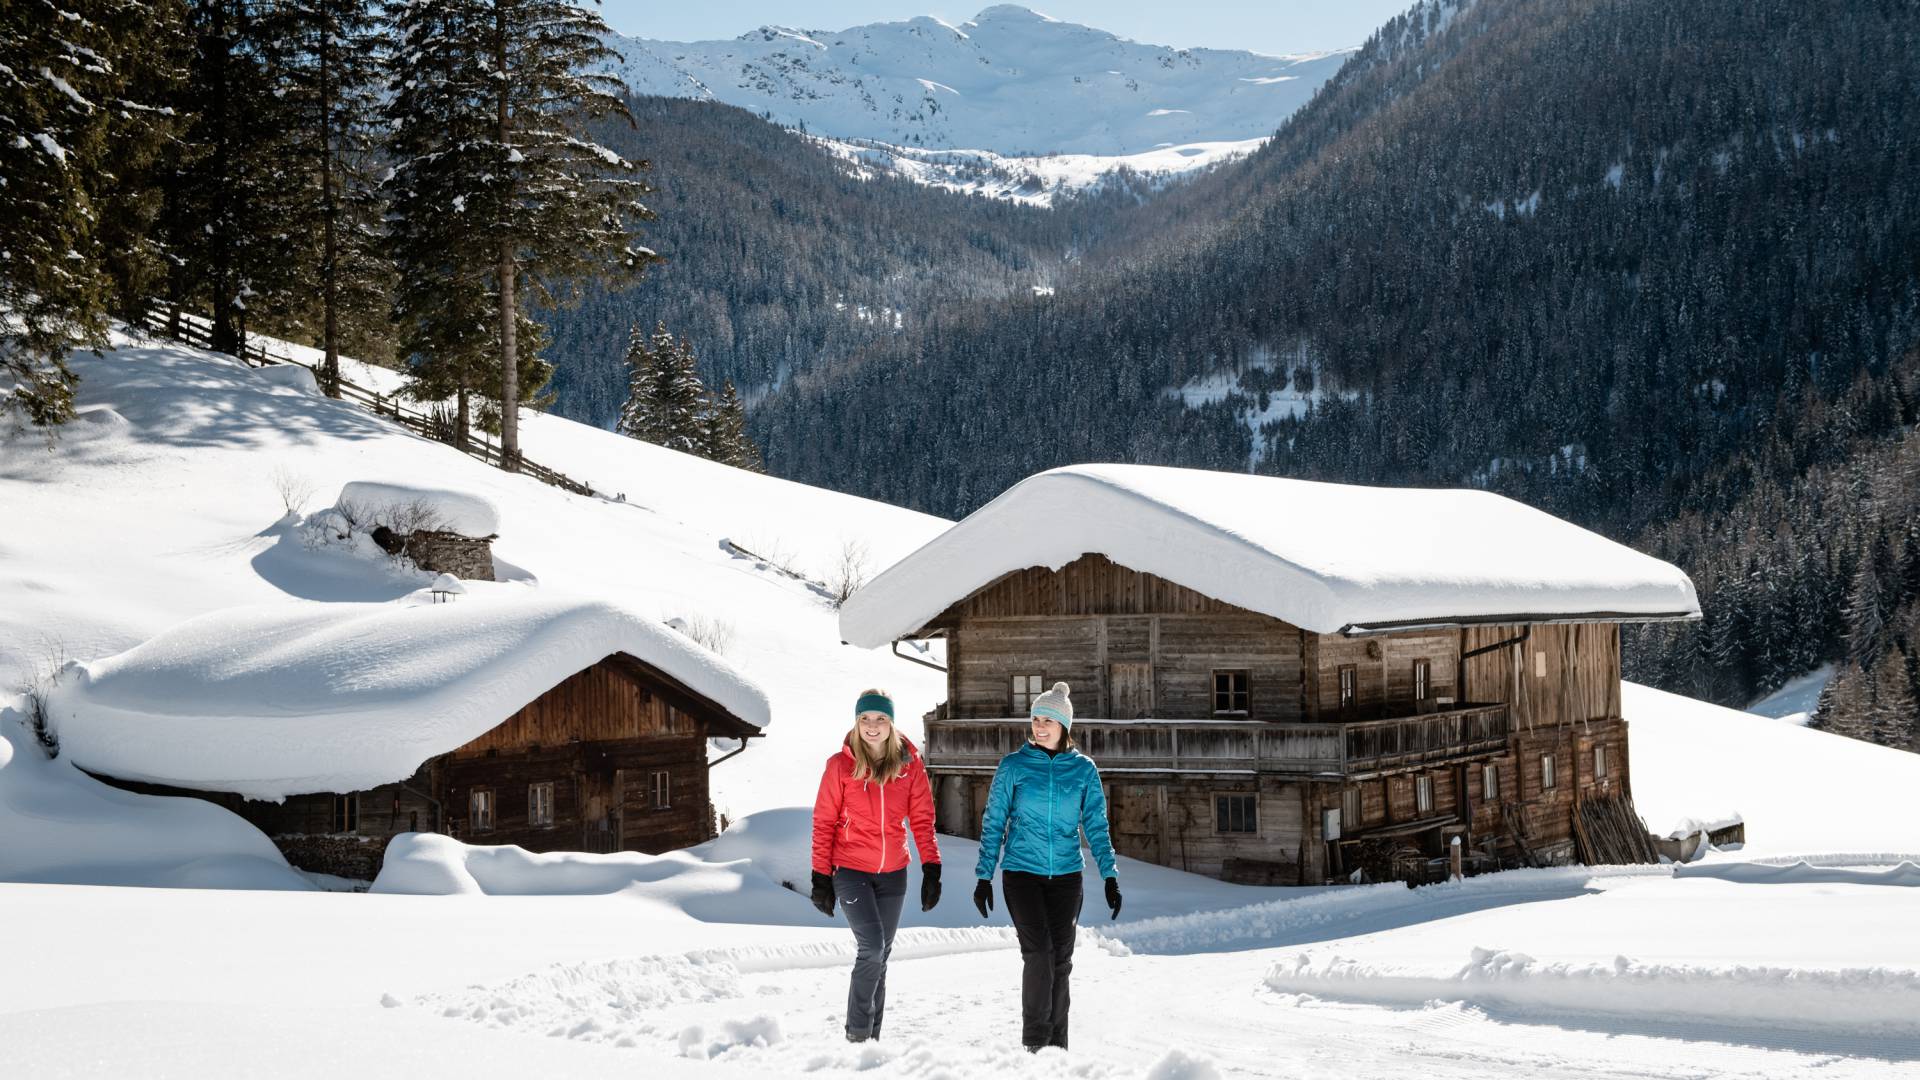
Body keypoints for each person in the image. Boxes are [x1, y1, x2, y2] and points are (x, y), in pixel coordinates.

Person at [972, 681, 1121, 1052]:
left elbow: (1096, 826)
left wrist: (1109, 875)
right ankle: (1035, 1042)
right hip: (1022, 873)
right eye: (1035, 719)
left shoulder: (1084, 770)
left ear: (1064, 726)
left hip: (1067, 877)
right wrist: (983, 876)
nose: (1039, 727)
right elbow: (993, 822)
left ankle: (1058, 1047)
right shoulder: (1013, 767)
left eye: (1047, 721)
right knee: (1038, 952)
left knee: (1061, 959)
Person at [809, 688, 941, 1043]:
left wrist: (932, 868)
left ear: (891, 723)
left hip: (894, 872)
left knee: (882, 955)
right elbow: (823, 822)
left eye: (880, 718)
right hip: (850, 869)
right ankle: (857, 1035)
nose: (872, 726)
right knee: (872, 948)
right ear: (856, 722)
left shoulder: (910, 767)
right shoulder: (840, 766)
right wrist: (820, 876)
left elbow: (923, 820)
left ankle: (872, 1042)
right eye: (865, 718)